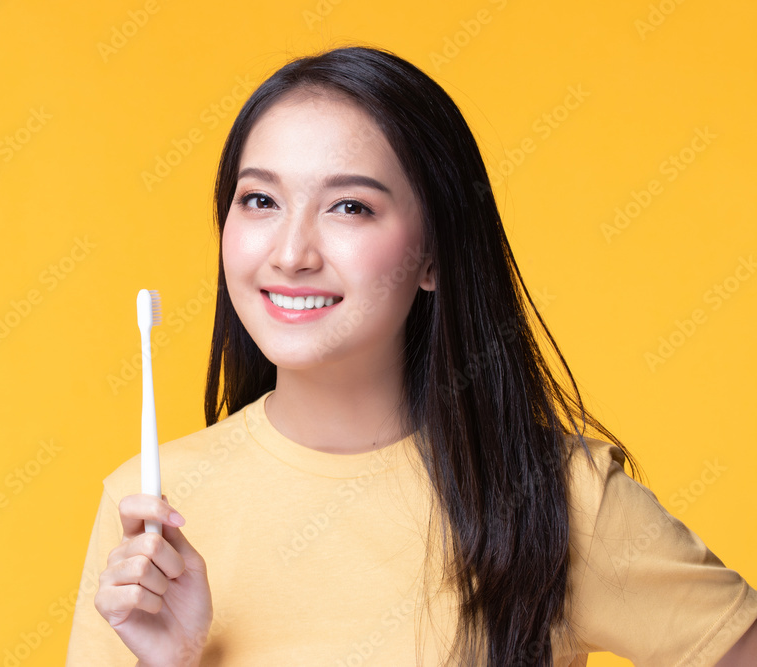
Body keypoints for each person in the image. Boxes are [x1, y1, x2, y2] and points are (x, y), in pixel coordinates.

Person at [66, 45, 757, 666]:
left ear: (433, 253)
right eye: (260, 200)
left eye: (350, 208)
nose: (290, 253)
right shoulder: (148, 507)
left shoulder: (556, 496)